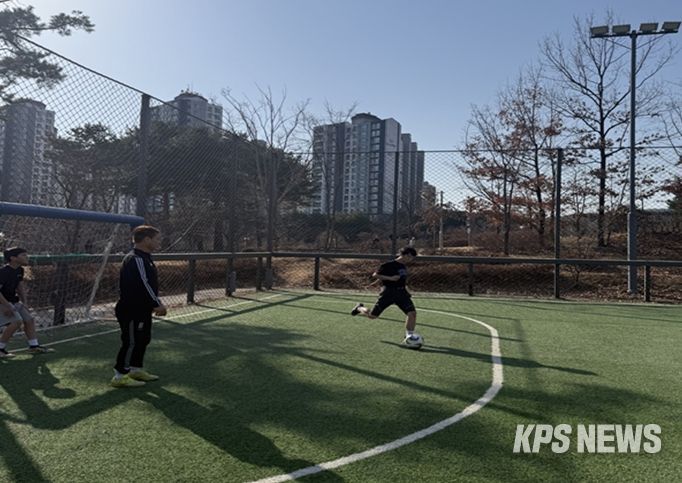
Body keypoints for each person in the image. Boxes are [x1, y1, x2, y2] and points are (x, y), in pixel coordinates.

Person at [111, 225, 167, 388]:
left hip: (142, 309)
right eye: (157, 239)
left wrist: (153, 303)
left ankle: (135, 369)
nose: (159, 242)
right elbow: (144, 284)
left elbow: (149, 285)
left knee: (143, 339)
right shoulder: (136, 259)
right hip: (131, 310)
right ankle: (119, 375)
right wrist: (157, 303)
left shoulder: (146, 258)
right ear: (147, 240)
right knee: (131, 341)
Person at [351, 246, 419, 345]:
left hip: (402, 294)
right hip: (388, 293)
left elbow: (402, 280)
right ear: (406, 255)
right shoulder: (388, 265)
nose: (411, 259)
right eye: (411, 257)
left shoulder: (403, 266)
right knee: (372, 316)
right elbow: (375, 275)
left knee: (412, 313)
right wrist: (390, 278)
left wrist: (407, 290)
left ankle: (409, 336)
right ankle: (359, 308)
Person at [0, 247, 53, 357]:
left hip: (13, 301)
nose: (27, 257)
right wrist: (7, 306)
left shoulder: (20, 270)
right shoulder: (3, 272)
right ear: (13, 258)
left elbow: (19, 287)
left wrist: (24, 302)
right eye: (23, 255)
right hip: (3, 302)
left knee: (29, 319)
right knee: (16, 322)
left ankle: (34, 346)